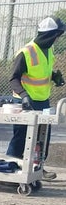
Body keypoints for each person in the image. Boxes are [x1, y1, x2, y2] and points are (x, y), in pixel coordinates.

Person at [7, 17, 66, 181]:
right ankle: (10, 167)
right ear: (50, 35)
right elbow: (13, 78)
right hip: (25, 101)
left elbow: (42, 71)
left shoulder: (48, 49)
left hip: (43, 101)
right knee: (21, 137)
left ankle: (38, 168)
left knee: (42, 137)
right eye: (57, 35)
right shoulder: (26, 52)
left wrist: (54, 76)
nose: (58, 39)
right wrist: (24, 95)